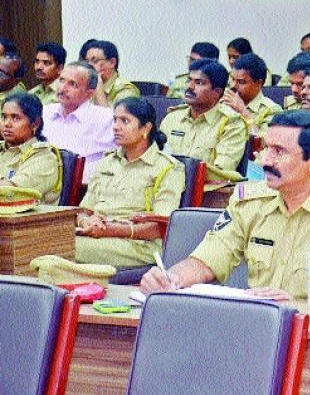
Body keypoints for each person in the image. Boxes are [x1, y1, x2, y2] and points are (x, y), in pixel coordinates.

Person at [139, 110, 310, 306]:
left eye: (279, 151)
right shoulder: (250, 200)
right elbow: (207, 260)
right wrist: (171, 279)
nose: (265, 160)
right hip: (256, 331)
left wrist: (303, 308)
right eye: (266, 148)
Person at [75, 97, 184, 268]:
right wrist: (86, 222)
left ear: (146, 128)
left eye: (124, 121)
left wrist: (110, 229)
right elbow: (84, 211)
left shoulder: (168, 168)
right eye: (115, 120)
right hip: (98, 235)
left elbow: (160, 226)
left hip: (138, 244)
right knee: (43, 240)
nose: (116, 127)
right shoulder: (107, 161)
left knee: (62, 247)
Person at [159, 59, 247, 188]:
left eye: (199, 83)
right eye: (189, 80)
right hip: (164, 189)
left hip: (203, 194)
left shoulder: (231, 124)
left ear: (216, 92)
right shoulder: (172, 118)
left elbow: (220, 173)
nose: (190, 86)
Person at [43, 61, 114, 182]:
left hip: (83, 190)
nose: (63, 88)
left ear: (89, 94)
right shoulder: (44, 113)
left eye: (73, 84)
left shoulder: (106, 119)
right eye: (61, 80)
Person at [0, 93, 60, 204]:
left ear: (35, 124)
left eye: (15, 118)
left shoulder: (45, 159)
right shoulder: (2, 149)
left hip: (27, 220)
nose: (7, 124)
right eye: (4, 117)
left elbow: (10, 193)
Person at [222, 53, 282, 136]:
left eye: (241, 82)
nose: (233, 85)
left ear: (258, 84)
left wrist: (243, 112)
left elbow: (262, 144)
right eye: (232, 79)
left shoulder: (272, 111)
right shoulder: (223, 101)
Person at [84, 40, 140, 106]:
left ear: (112, 62)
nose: (89, 66)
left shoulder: (126, 90)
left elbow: (111, 116)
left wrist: (99, 89)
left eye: (95, 61)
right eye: (87, 61)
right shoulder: (89, 87)